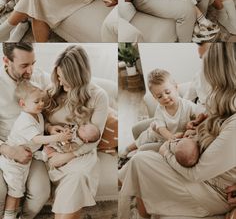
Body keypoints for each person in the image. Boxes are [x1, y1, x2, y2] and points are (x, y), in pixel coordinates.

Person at [119, 43, 236, 219]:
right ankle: (130, 199)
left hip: (213, 191)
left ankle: (129, 202)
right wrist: (197, 127)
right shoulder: (222, 104)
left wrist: (166, 151)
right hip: (204, 174)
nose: (201, 72)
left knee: (140, 162)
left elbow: (196, 173)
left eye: (204, 62)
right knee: (139, 159)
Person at [42, 45, 109, 219]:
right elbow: (40, 121)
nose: (60, 81)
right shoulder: (53, 90)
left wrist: (67, 156)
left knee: (77, 177)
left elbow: (94, 138)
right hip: (53, 148)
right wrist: (50, 128)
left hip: (81, 154)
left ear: (78, 77)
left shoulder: (98, 96)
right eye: (58, 76)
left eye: (64, 78)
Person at [0, 80, 72, 219]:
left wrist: (50, 128)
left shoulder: (37, 114)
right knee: (15, 192)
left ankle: (18, 215)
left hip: (26, 159)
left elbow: (41, 127)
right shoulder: (24, 121)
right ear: (23, 104)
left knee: (18, 190)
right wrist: (59, 137)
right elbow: (37, 139)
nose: (41, 104)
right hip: (13, 161)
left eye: (42, 100)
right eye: (37, 102)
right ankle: (9, 217)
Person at [0, 43, 51, 219]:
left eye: (33, 63)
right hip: (5, 149)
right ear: (6, 61)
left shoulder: (38, 77)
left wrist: (50, 127)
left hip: (33, 149)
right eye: (24, 66)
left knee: (41, 192)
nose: (30, 71)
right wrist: (9, 150)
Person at [120, 68, 199, 159]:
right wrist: (171, 137)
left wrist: (195, 123)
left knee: (145, 148)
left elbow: (199, 115)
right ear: (155, 97)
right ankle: (127, 149)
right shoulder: (160, 110)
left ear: (176, 88)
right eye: (159, 96)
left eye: (167, 92)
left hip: (175, 136)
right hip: (159, 133)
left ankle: (138, 153)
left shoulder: (187, 105)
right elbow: (161, 129)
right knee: (142, 139)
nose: (165, 97)